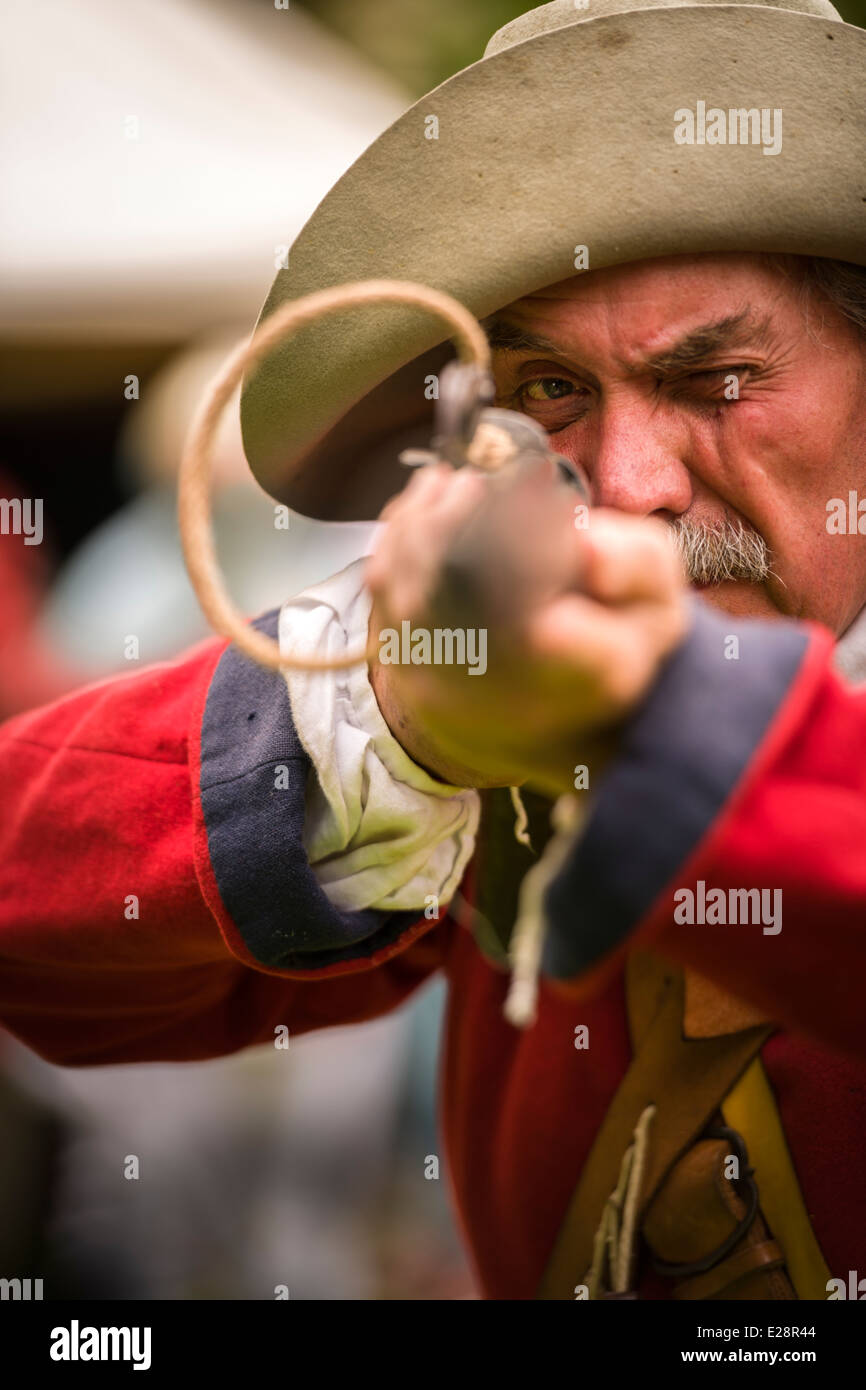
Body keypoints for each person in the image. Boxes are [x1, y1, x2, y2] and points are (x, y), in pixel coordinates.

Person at [2, 0, 865, 1300]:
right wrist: (390, 719)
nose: (627, 485)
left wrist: (677, 724)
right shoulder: (505, 725)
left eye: (718, 382)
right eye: (553, 394)